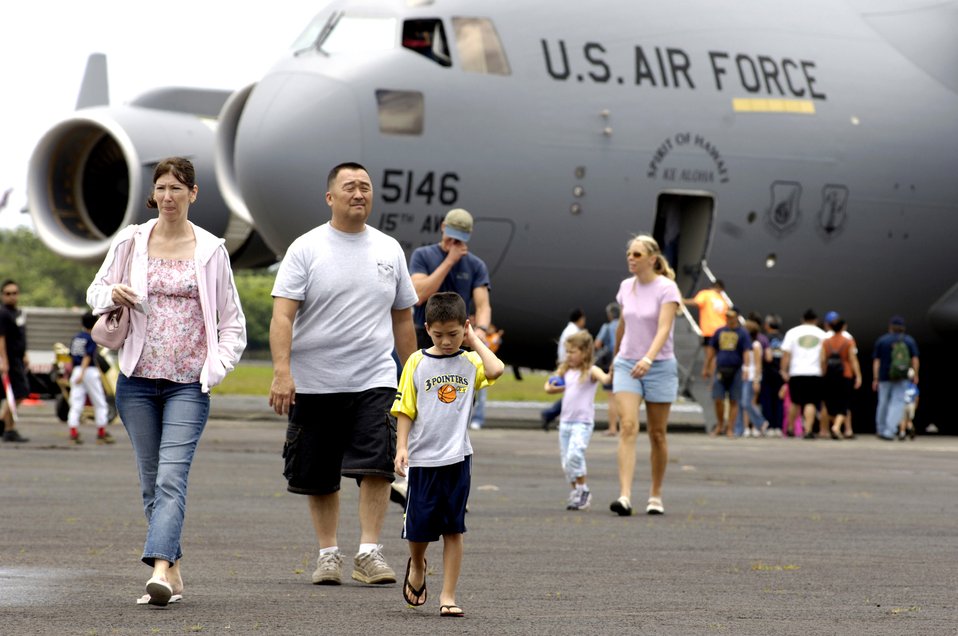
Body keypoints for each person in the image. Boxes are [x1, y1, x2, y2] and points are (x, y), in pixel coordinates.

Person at [87, 156, 247, 606]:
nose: (168, 196)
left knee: (172, 478)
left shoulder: (212, 250)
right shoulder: (131, 241)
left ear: (193, 194)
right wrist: (112, 293)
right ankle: (173, 572)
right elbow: (95, 291)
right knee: (151, 480)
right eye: (161, 188)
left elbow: (233, 322)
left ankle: (158, 569)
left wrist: (216, 367)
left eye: (177, 188)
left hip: (187, 385)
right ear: (153, 194)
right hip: (137, 380)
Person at [269, 162, 418, 588]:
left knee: (379, 465)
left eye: (365, 187)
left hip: (375, 378)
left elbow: (403, 319)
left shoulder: (389, 249)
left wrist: (414, 376)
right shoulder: (306, 248)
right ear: (330, 197)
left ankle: (368, 552)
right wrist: (282, 371)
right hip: (315, 380)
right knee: (319, 474)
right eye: (349, 186)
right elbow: (283, 315)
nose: (359, 193)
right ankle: (328, 554)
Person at [392, 292, 504, 617]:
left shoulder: (470, 362)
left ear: (464, 328)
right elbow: (405, 409)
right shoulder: (416, 362)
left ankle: (448, 596)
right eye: (439, 334)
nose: (445, 341)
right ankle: (417, 564)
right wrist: (401, 447)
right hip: (423, 460)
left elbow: (496, 369)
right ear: (427, 329)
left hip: (457, 458)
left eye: (453, 334)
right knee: (419, 529)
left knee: (454, 528)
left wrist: (474, 340)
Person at [610, 235, 680, 516]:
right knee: (628, 426)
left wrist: (649, 358)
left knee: (657, 434)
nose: (631, 258)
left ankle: (655, 494)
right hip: (627, 364)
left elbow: (664, 328)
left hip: (659, 365)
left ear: (652, 259)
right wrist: (615, 357)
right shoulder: (625, 287)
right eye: (629, 253)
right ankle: (624, 496)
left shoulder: (667, 288)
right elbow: (622, 325)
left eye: (637, 254)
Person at [544, 330, 610, 510]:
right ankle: (576, 491)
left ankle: (583, 490)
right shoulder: (566, 370)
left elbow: (605, 379)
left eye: (572, 352)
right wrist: (552, 387)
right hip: (565, 422)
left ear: (585, 352)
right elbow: (549, 386)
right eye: (567, 352)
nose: (568, 355)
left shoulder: (590, 371)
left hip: (582, 422)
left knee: (575, 455)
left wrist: (612, 373)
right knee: (566, 462)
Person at [409, 208, 492, 350]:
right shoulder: (422, 255)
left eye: (459, 239)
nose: (453, 242)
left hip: (457, 336)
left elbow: (483, 306)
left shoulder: (476, 265)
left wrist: (481, 329)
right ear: (443, 227)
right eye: (451, 236)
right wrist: (449, 261)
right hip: (426, 334)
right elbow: (419, 295)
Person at [66, 312, 114, 445]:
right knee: (99, 403)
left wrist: (76, 373)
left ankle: (73, 433)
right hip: (88, 371)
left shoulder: (76, 337)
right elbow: (87, 356)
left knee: (76, 403)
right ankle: (101, 433)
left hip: (76, 370)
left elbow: (71, 356)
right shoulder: (92, 338)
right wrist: (83, 373)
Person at [703, 307, 750, 437]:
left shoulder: (743, 333)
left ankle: (730, 428)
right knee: (718, 398)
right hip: (720, 368)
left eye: (732, 316)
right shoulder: (719, 331)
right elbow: (711, 350)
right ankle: (720, 424)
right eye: (727, 316)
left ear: (737, 317)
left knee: (734, 400)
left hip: (736, 370)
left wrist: (746, 368)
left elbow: (746, 351)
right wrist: (706, 367)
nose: (729, 319)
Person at [779, 309, 826, 439]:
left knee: (795, 402)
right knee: (811, 402)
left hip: (796, 372)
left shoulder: (792, 332)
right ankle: (808, 430)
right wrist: (823, 370)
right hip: (814, 372)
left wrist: (783, 370)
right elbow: (823, 357)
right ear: (816, 320)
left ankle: (790, 429)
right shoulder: (822, 334)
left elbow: (786, 354)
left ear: (802, 319)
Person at [871, 316, 919, 441]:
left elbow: (876, 361)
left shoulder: (883, 340)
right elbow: (914, 359)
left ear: (890, 327)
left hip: (884, 376)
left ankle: (881, 429)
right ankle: (889, 430)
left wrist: (875, 377)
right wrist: (915, 374)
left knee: (882, 403)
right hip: (902, 377)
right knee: (897, 403)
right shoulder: (908, 341)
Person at [541, 308, 587, 430]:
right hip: (569, 366)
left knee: (571, 395)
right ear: (579, 319)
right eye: (583, 319)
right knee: (571, 395)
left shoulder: (570, 330)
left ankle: (553, 416)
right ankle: (550, 414)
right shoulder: (573, 332)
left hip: (567, 365)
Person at [820, 317, 862, 440]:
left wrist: (823, 373)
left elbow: (822, 359)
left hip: (830, 375)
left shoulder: (826, 342)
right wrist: (858, 375)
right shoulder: (848, 341)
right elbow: (853, 359)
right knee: (844, 403)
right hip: (845, 374)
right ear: (843, 327)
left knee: (831, 403)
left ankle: (832, 427)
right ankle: (837, 427)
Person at [0, 279, 30, 442]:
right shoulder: (3, 313)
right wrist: (4, 361)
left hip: (18, 357)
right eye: (8, 293)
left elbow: (21, 336)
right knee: (20, 392)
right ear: (2, 295)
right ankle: (4, 423)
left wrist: (25, 354)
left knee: (15, 394)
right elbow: (1, 338)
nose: (12, 296)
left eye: (14, 293)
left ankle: (9, 428)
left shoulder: (18, 313)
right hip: (9, 359)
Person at [738, 318, 769, 437]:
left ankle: (759, 423)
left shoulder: (756, 345)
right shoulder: (744, 345)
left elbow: (758, 364)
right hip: (743, 375)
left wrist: (756, 380)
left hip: (751, 377)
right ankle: (745, 427)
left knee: (748, 402)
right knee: (743, 403)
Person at [469, 323, 502, 431]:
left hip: (482, 370)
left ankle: (478, 419)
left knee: (481, 398)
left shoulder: (490, 338)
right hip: (470, 368)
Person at [594, 302, 621, 436]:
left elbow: (597, 344)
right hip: (626, 361)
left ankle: (612, 428)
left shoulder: (607, 327)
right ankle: (627, 426)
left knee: (612, 398)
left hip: (611, 362)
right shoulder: (625, 326)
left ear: (610, 315)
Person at [759, 314, 785, 437]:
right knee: (779, 401)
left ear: (767, 325)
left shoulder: (764, 339)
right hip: (780, 373)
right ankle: (778, 426)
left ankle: (769, 426)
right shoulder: (783, 338)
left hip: (768, 373)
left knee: (767, 400)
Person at [899, 369, 918, 440]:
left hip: (903, 404)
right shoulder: (914, 386)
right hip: (911, 404)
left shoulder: (902, 386)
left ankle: (902, 433)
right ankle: (910, 428)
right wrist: (916, 405)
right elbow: (916, 396)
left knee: (902, 419)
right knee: (909, 420)